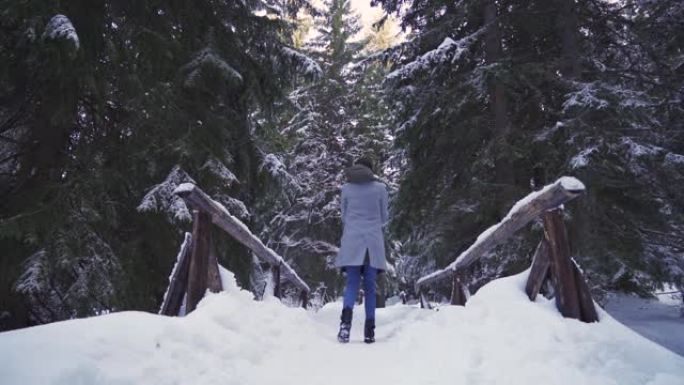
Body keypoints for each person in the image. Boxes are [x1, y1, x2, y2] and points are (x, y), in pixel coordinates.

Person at [335, 157, 389, 344]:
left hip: (352, 241)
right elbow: (384, 218)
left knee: (351, 284)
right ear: (371, 170)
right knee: (370, 287)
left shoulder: (346, 189)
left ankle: (345, 327)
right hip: (372, 243)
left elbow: (343, 215)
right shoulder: (380, 189)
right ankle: (369, 332)